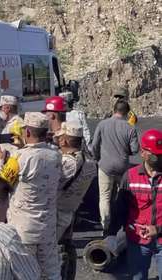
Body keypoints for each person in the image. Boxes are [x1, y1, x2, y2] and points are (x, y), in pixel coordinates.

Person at [0, 112, 63, 279]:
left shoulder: (19, 158)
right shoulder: (56, 155)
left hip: (23, 229)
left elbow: (0, 183)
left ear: (26, 132)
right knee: (51, 272)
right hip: (47, 226)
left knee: (24, 273)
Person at [107, 129, 162, 280]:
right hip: (137, 240)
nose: (158, 158)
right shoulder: (130, 176)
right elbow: (120, 208)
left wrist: (157, 229)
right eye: (154, 154)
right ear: (143, 152)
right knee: (137, 277)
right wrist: (111, 233)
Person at [54, 122, 97, 279]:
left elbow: (51, 185)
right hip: (71, 209)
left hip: (56, 212)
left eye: (60, 138)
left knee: (54, 253)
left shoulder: (66, 163)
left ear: (64, 141)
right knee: (67, 246)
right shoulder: (90, 163)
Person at [91, 100, 139, 230]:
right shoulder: (130, 128)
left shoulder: (102, 124)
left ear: (114, 110)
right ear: (127, 113)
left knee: (104, 196)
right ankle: (122, 224)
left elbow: (94, 145)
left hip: (105, 166)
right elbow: (135, 150)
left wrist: (97, 158)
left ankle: (105, 226)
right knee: (123, 195)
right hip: (122, 167)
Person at [0, 95, 24, 172]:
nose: (0, 111)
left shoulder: (17, 123)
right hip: (4, 163)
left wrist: (3, 138)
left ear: (8, 108)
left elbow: (20, 143)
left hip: (11, 164)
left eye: (1, 108)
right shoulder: (7, 123)